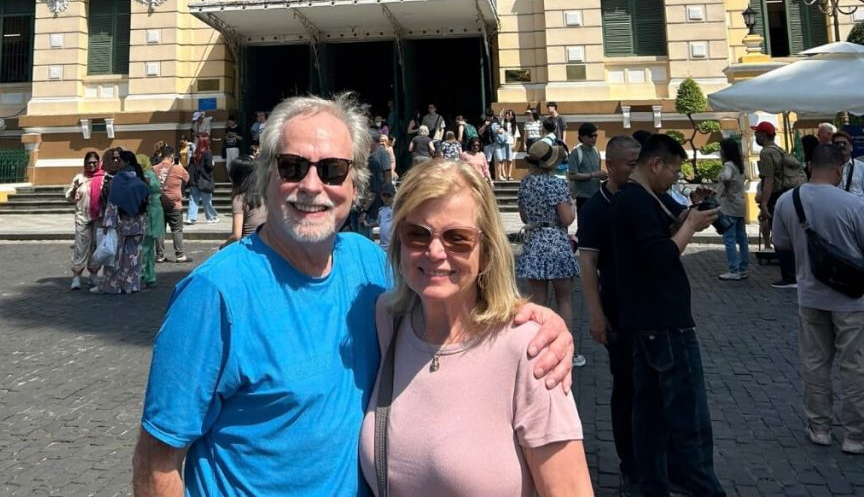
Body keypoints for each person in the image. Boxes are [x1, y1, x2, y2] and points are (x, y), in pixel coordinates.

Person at [132, 93, 575, 497]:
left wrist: (534, 318)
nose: (311, 185)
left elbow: (446, 292)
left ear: (354, 184)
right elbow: (157, 463)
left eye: (331, 170)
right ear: (266, 175)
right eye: (291, 167)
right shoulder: (214, 294)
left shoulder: (367, 264)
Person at [359, 159, 592, 496]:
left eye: (457, 238)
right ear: (398, 242)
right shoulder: (385, 322)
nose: (435, 251)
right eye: (416, 234)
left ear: (486, 251)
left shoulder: (531, 349)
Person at [611, 134, 725, 496]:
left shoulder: (637, 199)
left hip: (644, 322)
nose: (675, 177)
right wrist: (689, 227)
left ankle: (651, 486)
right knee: (688, 420)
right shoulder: (637, 201)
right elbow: (659, 257)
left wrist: (686, 218)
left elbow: (654, 243)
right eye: (674, 169)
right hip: (665, 323)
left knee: (650, 417)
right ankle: (705, 489)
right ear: (655, 164)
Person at [771, 144, 864, 454]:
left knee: (814, 363)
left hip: (809, 295)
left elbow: (781, 244)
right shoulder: (854, 205)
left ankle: (819, 427)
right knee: (855, 366)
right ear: (840, 170)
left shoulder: (787, 200)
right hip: (852, 299)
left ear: (810, 166)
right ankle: (855, 435)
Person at [577, 135, 642, 493]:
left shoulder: (645, 198)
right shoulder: (596, 208)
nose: (638, 168)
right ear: (612, 165)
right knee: (626, 387)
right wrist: (596, 315)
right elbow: (588, 262)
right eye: (631, 162)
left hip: (651, 310)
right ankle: (629, 462)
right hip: (618, 308)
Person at [516, 140, 586, 368]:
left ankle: (538, 346)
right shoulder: (555, 185)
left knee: (538, 301)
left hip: (534, 240)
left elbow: (525, 218)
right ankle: (565, 348)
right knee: (564, 298)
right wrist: (572, 205)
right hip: (555, 241)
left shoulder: (525, 184)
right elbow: (566, 219)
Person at [754, 121, 806, 289]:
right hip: (789, 194)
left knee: (780, 236)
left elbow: (768, 180)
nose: (755, 136)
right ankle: (797, 273)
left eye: (756, 133)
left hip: (776, 196)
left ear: (763, 135)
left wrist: (764, 204)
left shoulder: (767, 153)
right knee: (791, 235)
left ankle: (789, 277)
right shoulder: (780, 150)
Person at [92, 151, 148, 295]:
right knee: (134, 255)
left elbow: (113, 203)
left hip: (122, 222)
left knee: (117, 256)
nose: (117, 163)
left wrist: (108, 224)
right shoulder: (141, 177)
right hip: (139, 221)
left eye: (119, 160)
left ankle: (114, 285)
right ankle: (132, 285)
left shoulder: (118, 179)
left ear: (126, 162)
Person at [66, 151, 105, 290]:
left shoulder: (104, 177)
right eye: (89, 163)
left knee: (95, 247)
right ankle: (76, 275)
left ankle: (93, 273)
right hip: (83, 217)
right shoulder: (79, 178)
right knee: (80, 246)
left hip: (99, 217)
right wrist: (75, 189)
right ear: (85, 164)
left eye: (94, 162)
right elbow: (69, 197)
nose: (92, 165)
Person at [717, 138, 751, 281]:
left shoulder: (729, 165)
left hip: (729, 206)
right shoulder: (739, 165)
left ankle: (734, 269)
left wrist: (725, 189)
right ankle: (743, 267)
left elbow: (726, 177)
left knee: (729, 238)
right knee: (742, 237)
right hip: (739, 204)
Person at [151, 146, 191, 263]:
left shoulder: (154, 168)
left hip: (158, 203)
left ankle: (159, 255)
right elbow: (187, 179)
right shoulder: (178, 168)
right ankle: (179, 255)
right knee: (177, 229)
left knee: (159, 230)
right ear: (172, 156)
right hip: (174, 204)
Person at [222, 156, 265, 245]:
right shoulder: (266, 194)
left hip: (249, 246)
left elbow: (236, 236)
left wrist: (223, 247)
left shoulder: (240, 199)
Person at [139, 154, 165, 289]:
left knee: (146, 247)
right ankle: (149, 274)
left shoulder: (146, 175)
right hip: (155, 211)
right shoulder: (151, 173)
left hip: (150, 213)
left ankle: (146, 274)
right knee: (148, 247)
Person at [567, 122, 606, 211]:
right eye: (590, 136)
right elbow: (572, 175)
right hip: (582, 196)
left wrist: (602, 176)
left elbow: (597, 172)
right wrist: (593, 174)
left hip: (596, 194)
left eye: (595, 135)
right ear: (582, 137)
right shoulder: (576, 153)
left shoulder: (596, 151)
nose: (594, 138)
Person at [186, 136, 219, 224]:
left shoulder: (195, 154)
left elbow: (190, 167)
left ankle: (191, 218)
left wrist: (191, 179)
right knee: (207, 200)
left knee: (193, 199)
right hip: (204, 179)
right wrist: (212, 164)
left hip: (194, 180)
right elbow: (209, 167)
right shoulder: (207, 153)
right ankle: (210, 217)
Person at [833, 130, 864, 196]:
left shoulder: (861, 167)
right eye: (837, 143)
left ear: (851, 147)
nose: (841, 145)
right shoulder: (827, 169)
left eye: (844, 143)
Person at [375, 182, 395, 251]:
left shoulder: (395, 209)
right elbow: (378, 222)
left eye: (389, 196)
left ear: (393, 196)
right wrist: (367, 225)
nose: (386, 198)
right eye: (384, 196)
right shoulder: (381, 210)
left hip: (392, 245)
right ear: (381, 196)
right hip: (382, 245)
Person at [501, 108, 520, 180]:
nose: (507, 115)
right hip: (503, 143)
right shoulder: (503, 123)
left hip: (510, 143)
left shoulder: (514, 125)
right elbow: (501, 118)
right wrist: (502, 112)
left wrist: (514, 144)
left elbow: (515, 136)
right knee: (503, 159)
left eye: (509, 114)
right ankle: (503, 174)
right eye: (507, 114)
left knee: (509, 160)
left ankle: (509, 175)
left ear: (512, 116)